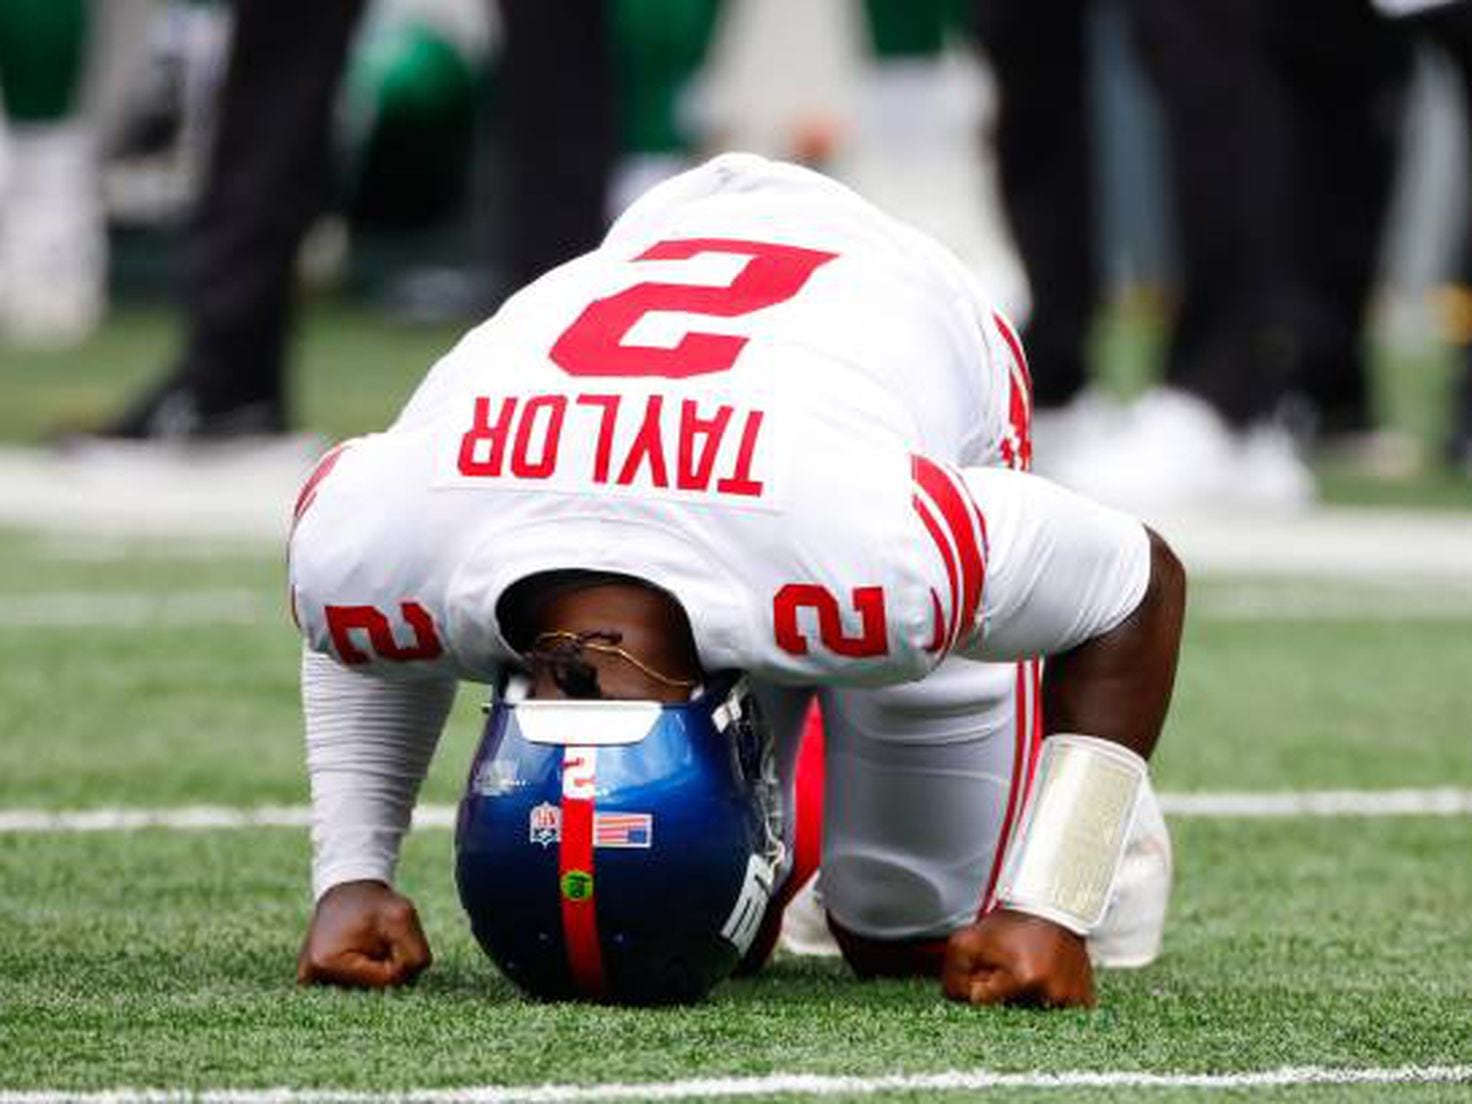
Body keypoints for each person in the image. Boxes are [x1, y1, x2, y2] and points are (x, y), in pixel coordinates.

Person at [287, 154, 1186, 1008]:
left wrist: (1056, 895)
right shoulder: (381, 531)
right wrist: (353, 875)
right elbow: (360, 622)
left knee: (908, 935)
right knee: (733, 937)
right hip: (668, 300)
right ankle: (817, 782)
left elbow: (1137, 585)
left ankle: (1100, 819)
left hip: (885, 321)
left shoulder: (882, 554)